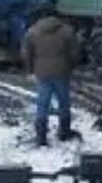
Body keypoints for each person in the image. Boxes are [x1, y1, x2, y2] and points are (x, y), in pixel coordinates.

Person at [21, 9, 81, 146]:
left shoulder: (32, 31)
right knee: (63, 102)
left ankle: (41, 135)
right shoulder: (66, 31)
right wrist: (71, 66)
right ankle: (64, 131)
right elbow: (75, 52)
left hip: (41, 71)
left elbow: (26, 52)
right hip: (61, 71)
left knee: (42, 103)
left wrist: (30, 69)